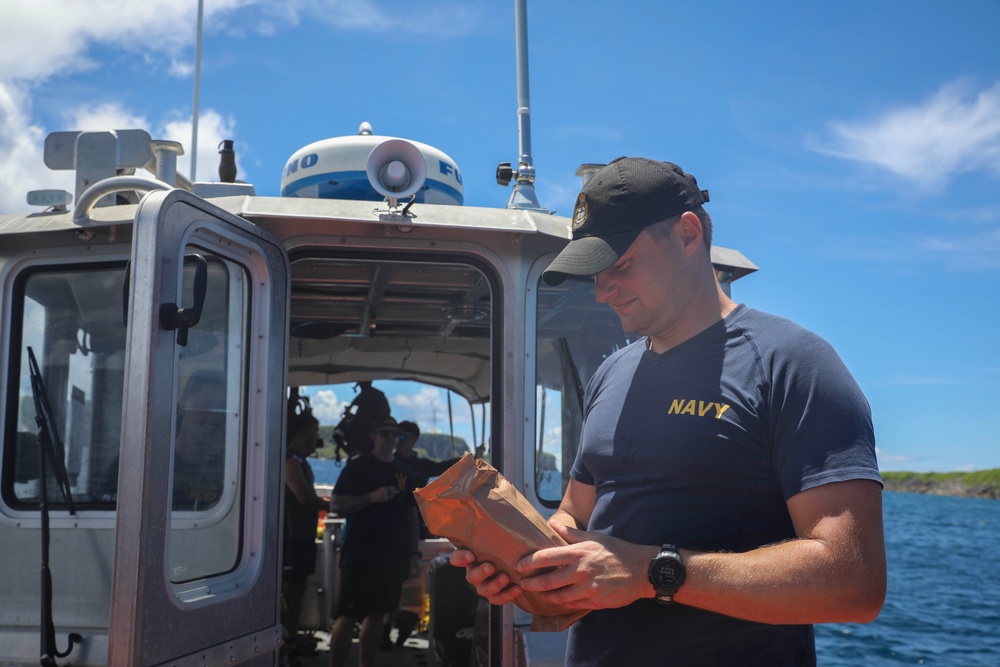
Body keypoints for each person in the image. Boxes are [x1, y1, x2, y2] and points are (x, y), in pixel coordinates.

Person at [451, 157, 886, 665]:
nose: (602, 290)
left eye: (619, 265)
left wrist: (647, 573)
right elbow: (576, 512)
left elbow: (854, 583)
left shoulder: (792, 364)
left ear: (687, 235)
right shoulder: (610, 376)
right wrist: (525, 559)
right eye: (593, 273)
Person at [328, 417, 421, 667]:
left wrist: (414, 554)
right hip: (360, 554)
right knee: (348, 615)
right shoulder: (357, 467)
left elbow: (411, 515)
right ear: (373, 436)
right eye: (384, 433)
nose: (390, 438)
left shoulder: (404, 472)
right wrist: (371, 497)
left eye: (395, 434)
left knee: (378, 614)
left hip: (392, 556)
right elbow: (336, 504)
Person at [282, 407, 329, 657]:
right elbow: (304, 497)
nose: (316, 437)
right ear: (302, 434)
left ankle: (290, 634)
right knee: (291, 588)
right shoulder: (290, 459)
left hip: (303, 533)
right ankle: (285, 638)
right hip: (292, 536)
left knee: (299, 586)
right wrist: (336, 505)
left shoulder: (300, 460)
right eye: (313, 432)